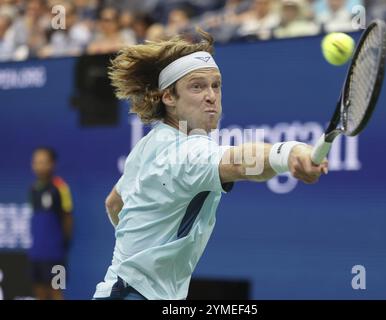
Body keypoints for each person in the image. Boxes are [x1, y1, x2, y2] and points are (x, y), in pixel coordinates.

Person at [93, 29, 328, 300]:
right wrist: (288, 152)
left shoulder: (149, 145)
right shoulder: (188, 152)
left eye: (215, 85)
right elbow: (240, 163)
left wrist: (141, 249)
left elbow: (114, 202)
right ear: (169, 97)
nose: (211, 96)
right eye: (197, 86)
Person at [29, 147, 73, 300]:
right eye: (36, 162)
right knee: (39, 293)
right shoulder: (33, 189)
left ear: (52, 164)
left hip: (56, 255)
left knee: (56, 292)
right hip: (36, 254)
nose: (40, 166)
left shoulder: (60, 187)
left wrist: (63, 244)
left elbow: (67, 218)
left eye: (44, 162)